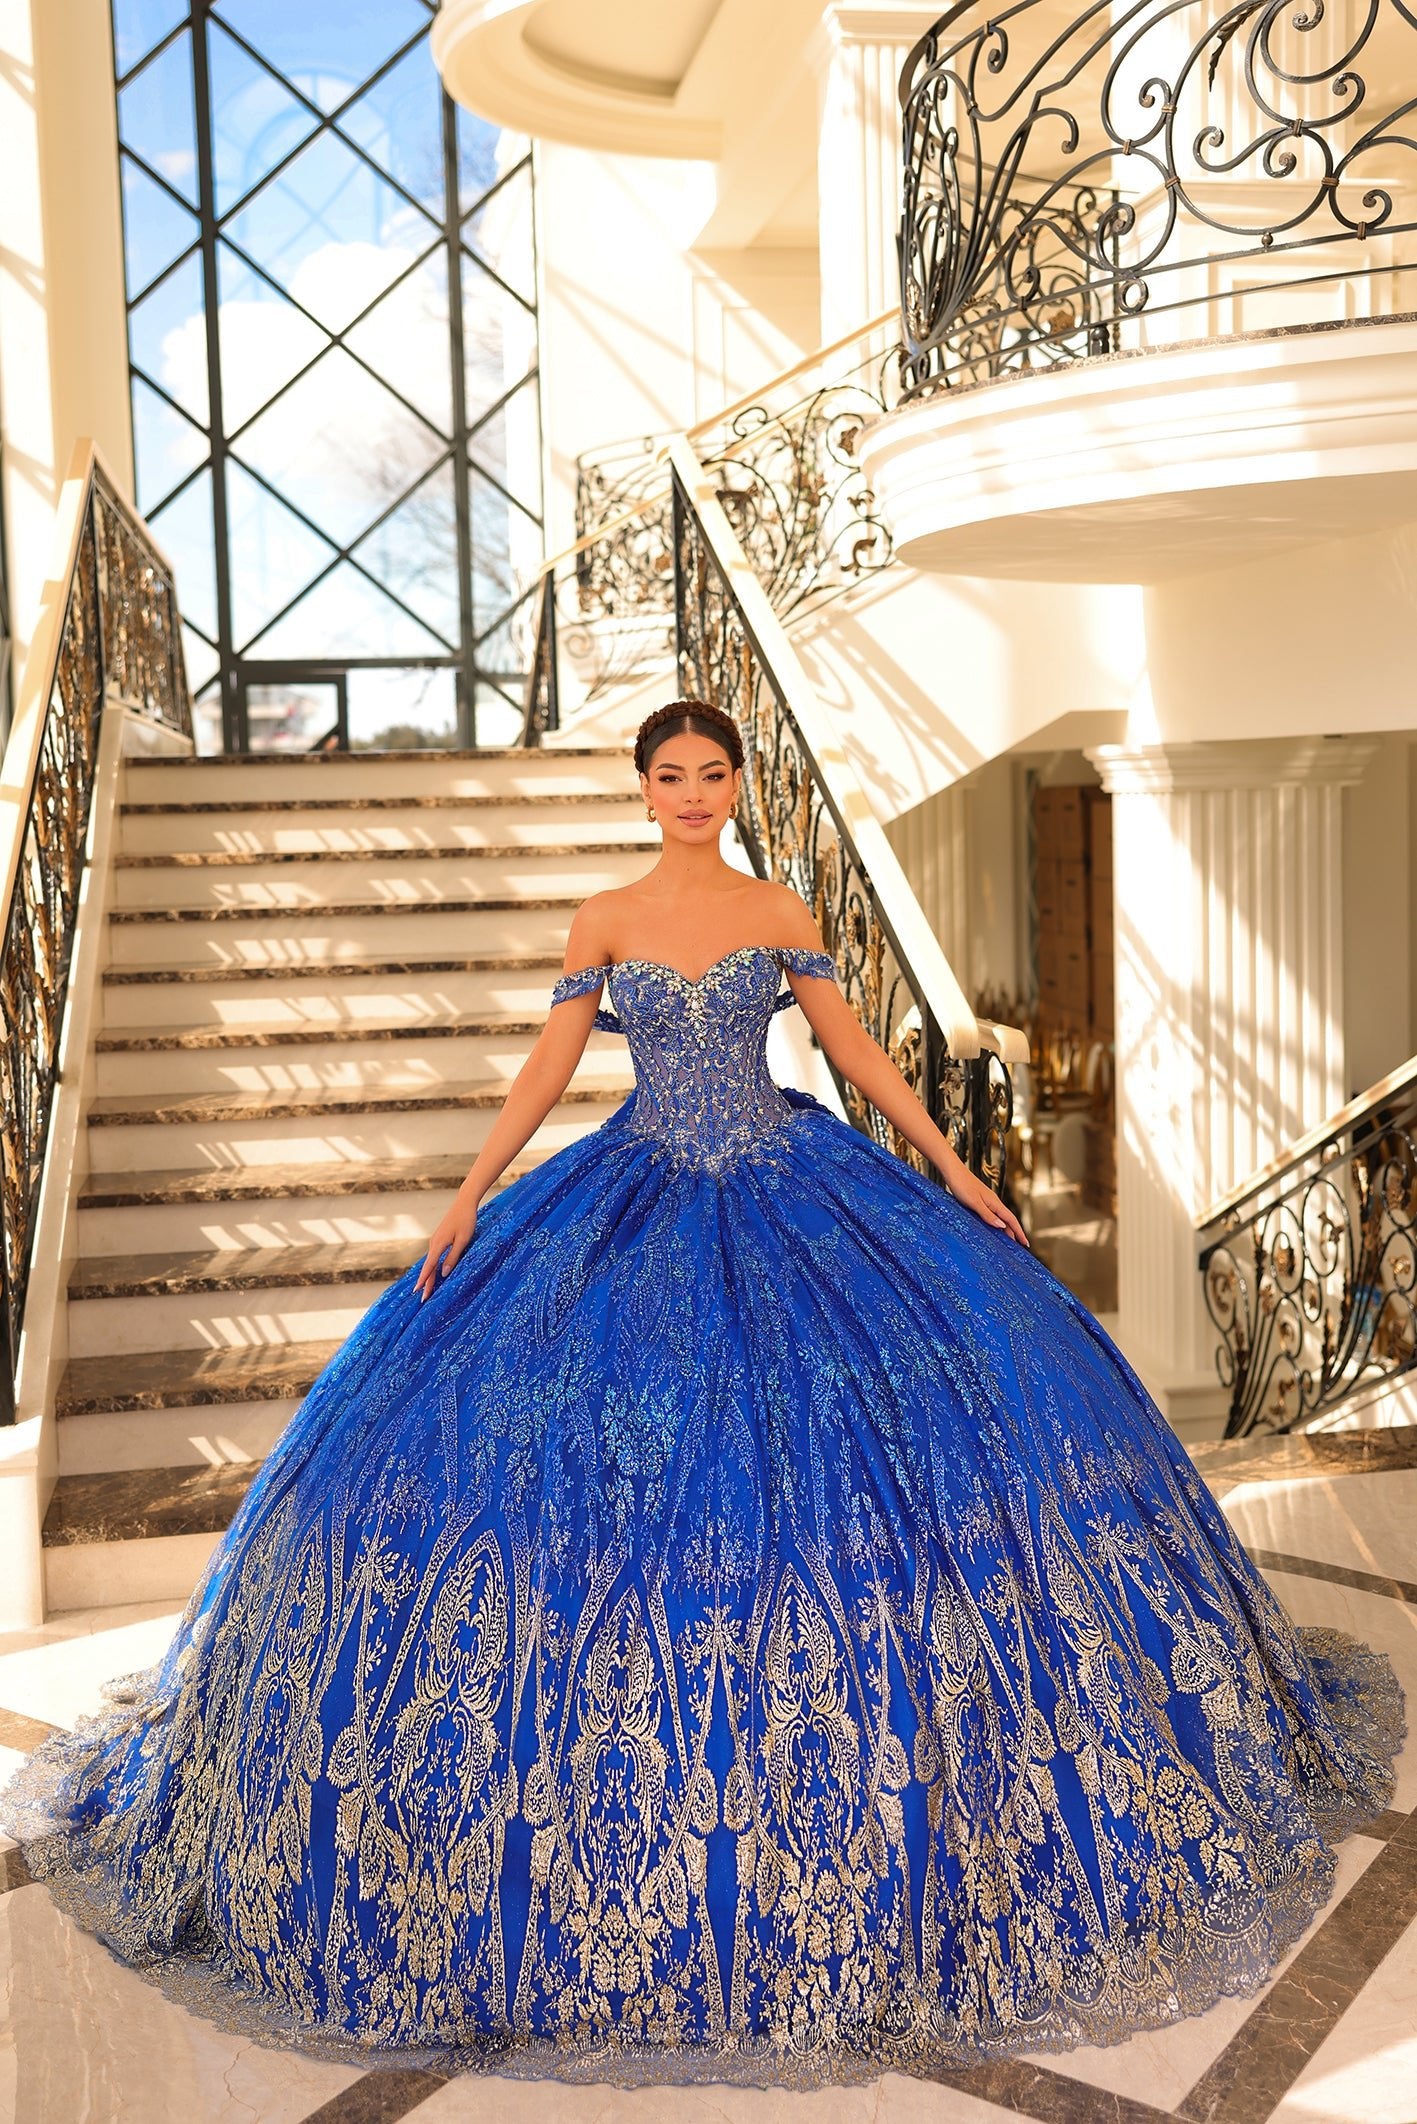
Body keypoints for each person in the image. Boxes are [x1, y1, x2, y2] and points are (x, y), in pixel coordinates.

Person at [1, 698, 1402, 2090]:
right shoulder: (605, 916)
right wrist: (466, 1198)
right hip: (632, 1186)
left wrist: (953, 1170)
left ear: (735, 783)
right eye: (668, 774)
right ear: (642, 785)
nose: (689, 791)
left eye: (709, 772)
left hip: (790, 1179)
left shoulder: (779, 902)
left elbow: (850, 1052)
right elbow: (552, 1061)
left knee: (872, 1452)